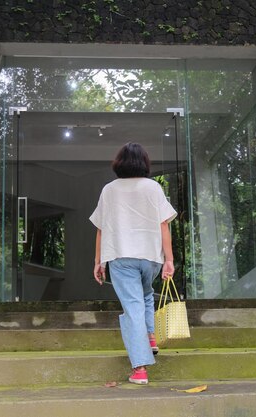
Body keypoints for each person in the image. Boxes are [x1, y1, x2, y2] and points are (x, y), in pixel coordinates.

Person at [89, 142, 176, 385]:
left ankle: (139, 369)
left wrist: (98, 262)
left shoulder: (109, 190)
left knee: (133, 308)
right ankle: (149, 337)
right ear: (144, 163)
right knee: (146, 295)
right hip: (150, 256)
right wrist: (169, 260)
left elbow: (101, 229)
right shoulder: (153, 188)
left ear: (119, 163)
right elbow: (163, 225)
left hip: (121, 256)